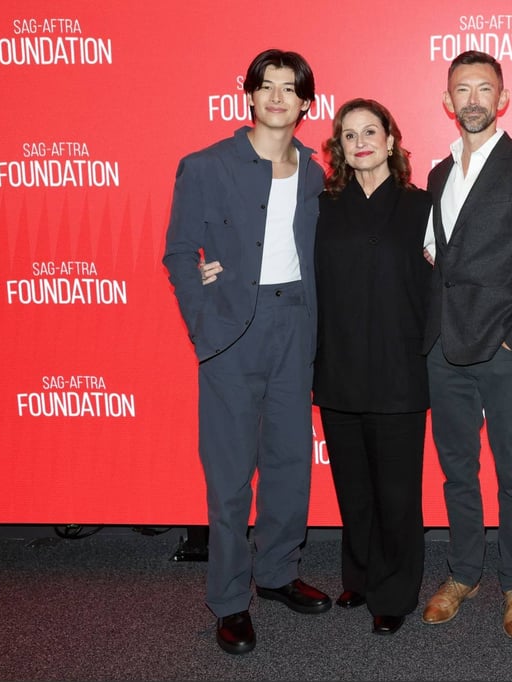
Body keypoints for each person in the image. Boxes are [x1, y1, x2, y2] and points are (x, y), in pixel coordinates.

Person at [163, 48, 331, 656]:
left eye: (290, 88)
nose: (278, 97)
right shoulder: (205, 166)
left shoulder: (316, 173)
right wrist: (202, 321)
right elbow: (179, 252)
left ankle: (279, 572)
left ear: (306, 102)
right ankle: (230, 599)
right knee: (231, 474)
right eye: (267, 86)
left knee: (289, 462)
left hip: (296, 324)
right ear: (250, 95)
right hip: (232, 331)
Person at [420, 50, 512, 640]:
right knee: (457, 470)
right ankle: (463, 573)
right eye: (463, 89)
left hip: (505, 351)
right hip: (444, 349)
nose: (473, 99)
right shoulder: (438, 174)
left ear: (502, 99)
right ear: (447, 100)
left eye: (484, 88)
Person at [311, 98, 432, 636]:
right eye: (349, 134)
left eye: (370, 132)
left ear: (390, 140)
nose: (360, 142)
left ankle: (394, 591)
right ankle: (358, 576)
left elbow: (451, 276)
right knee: (353, 486)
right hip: (337, 365)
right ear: (339, 147)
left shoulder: (422, 206)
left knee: (397, 492)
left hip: (400, 369)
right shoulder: (321, 207)